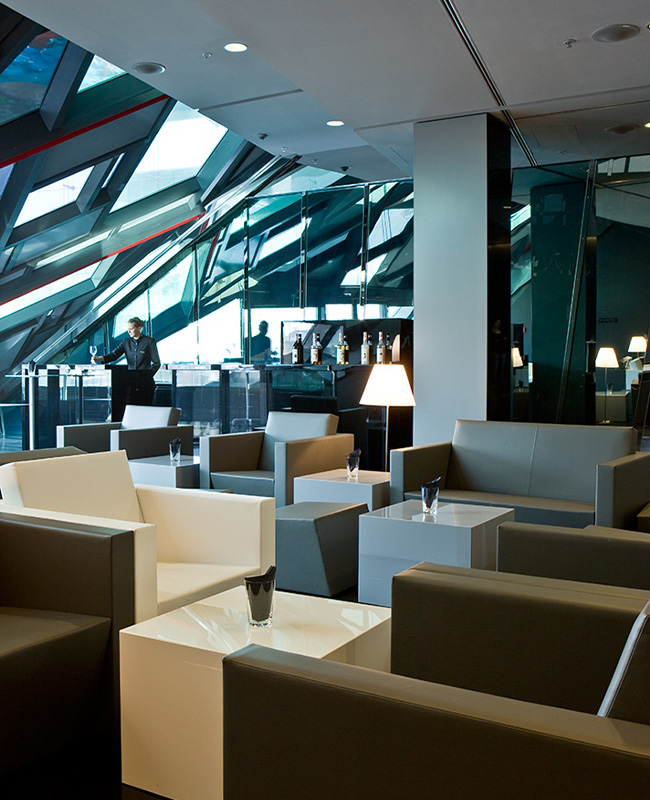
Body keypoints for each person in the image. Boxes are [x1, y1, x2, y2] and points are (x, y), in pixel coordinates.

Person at [93, 316, 160, 406]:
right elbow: (114, 354)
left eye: (131, 329)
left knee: (146, 408)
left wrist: (146, 375)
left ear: (139, 328)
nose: (129, 332)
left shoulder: (149, 342)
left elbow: (156, 363)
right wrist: (100, 358)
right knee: (131, 409)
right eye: (128, 329)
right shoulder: (126, 342)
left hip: (146, 384)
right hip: (131, 384)